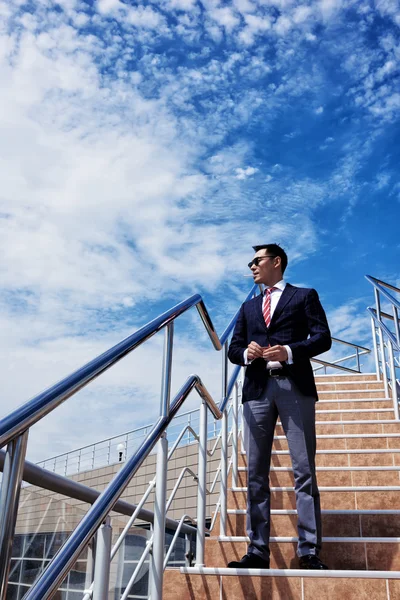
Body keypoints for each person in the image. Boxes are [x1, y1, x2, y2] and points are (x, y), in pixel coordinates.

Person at [227, 243, 331, 570]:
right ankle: (257, 550)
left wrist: (288, 350)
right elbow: (234, 350)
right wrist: (248, 353)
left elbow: (323, 337)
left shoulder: (304, 296)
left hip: (294, 386)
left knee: (303, 470)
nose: (251, 266)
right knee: (255, 473)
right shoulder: (248, 308)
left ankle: (309, 551)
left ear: (276, 262)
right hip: (257, 390)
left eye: (256, 261)